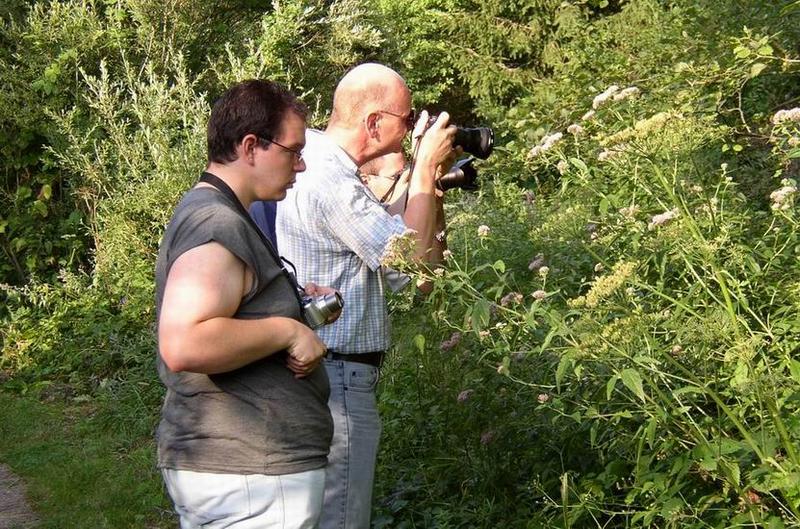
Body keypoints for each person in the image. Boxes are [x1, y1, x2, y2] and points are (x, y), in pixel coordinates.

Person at [272, 63, 456, 529]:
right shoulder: (330, 178)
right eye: (408, 118)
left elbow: (420, 271)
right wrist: (425, 167)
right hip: (338, 376)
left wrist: (428, 183)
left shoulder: (322, 163)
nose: (412, 129)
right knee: (342, 518)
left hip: (326, 370)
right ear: (374, 122)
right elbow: (409, 259)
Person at [155, 79, 336, 529]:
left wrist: (291, 302)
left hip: (248, 472)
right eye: (293, 151)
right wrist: (288, 330)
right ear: (251, 146)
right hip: (251, 475)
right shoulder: (216, 222)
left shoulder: (221, 213)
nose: (302, 164)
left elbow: (230, 306)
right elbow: (185, 342)